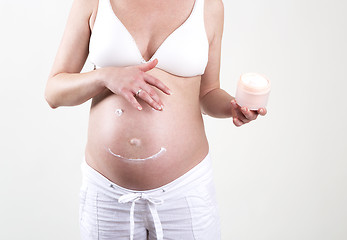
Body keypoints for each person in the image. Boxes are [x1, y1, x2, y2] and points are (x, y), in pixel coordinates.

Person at [45, 0, 267, 239]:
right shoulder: (93, 3)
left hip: (185, 191)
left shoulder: (209, 6)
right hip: (108, 196)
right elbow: (54, 91)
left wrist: (231, 107)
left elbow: (208, 93)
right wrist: (104, 76)